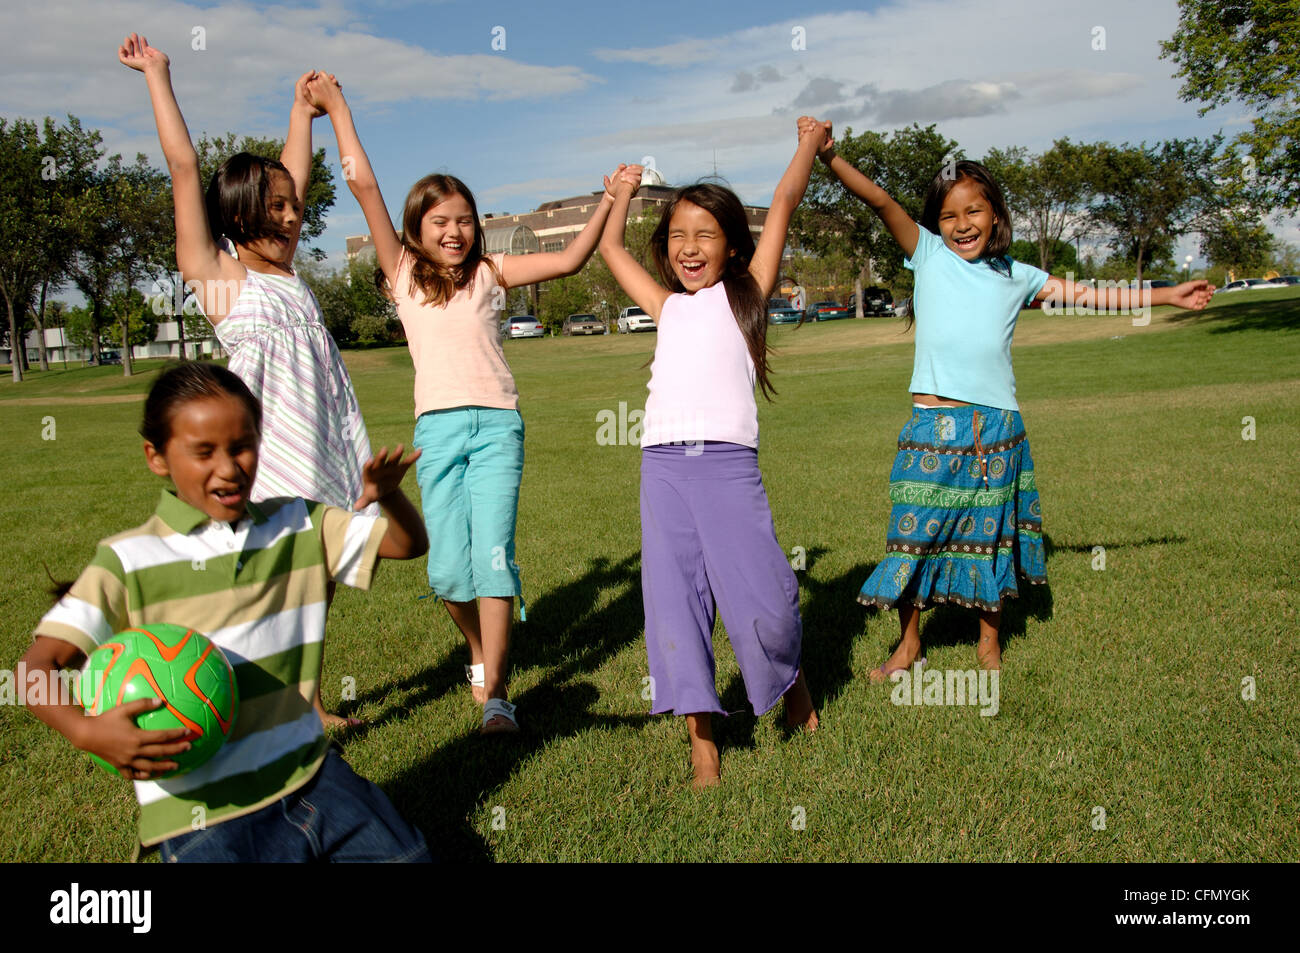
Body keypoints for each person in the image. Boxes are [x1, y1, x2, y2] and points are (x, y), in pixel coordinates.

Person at [811, 122, 1215, 679]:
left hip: (995, 428)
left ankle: (988, 643)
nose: (961, 225)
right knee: (911, 536)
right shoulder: (927, 255)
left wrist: (1169, 293)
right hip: (932, 425)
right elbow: (879, 200)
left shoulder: (1015, 275)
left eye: (973, 212)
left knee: (990, 536)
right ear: (937, 225)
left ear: (995, 215)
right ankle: (908, 646)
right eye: (949, 216)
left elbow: (1090, 295)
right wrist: (830, 157)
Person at [307, 73, 641, 734]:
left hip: (496, 428)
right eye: (441, 221)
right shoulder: (402, 275)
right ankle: (481, 652)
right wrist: (340, 107)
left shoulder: (492, 272)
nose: (455, 231)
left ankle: (496, 693)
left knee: (492, 556)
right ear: (416, 230)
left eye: (465, 219)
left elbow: (574, 258)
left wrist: (611, 197)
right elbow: (363, 185)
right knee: (447, 573)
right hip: (437, 431)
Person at [19, 362, 431, 861]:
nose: (230, 467)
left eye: (242, 446)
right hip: (201, 811)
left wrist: (389, 496)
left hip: (310, 775)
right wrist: (86, 731)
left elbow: (407, 545)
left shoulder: (298, 522)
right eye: (204, 452)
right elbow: (32, 671)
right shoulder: (128, 559)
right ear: (157, 457)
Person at [119, 34, 371, 728]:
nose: (291, 215)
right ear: (236, 217)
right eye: (275, 208)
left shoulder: (286, 274)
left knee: (317, 579)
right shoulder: (223, 279)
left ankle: (306, 700)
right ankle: (232, 689)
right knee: (268, 581)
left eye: (294, 207)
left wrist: (302, 112)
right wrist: (157, 75)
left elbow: (295, 173)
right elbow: (181, 165)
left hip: (322, 440)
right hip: (265, 454)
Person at [598, 120, 824, 790]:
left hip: (726, 465)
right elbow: (608, 246)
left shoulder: (743, 294)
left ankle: (794, 683)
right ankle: (703, 743)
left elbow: (781, 202)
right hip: (662, 466)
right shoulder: (665, 306)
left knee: (764, 600)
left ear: (730, 247)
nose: (688, 247)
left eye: (704, 235)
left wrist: (809, 142)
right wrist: (618, 194)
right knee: (675, 603)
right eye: (677, 236)